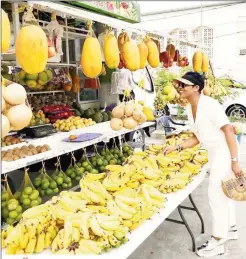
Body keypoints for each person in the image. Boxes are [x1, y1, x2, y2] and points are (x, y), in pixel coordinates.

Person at [163, 72, 243, 257]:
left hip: (225, 150)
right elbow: (196, 138)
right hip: (214, 152)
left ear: (196, 88)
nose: (180, 88)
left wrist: (235, 162)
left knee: (215, 193)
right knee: (224, 191)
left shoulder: (210, 105)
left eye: (185, 85)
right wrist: (177, 147)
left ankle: (218, 241)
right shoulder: (191, 108)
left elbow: (229, 132)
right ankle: (230, 229)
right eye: (180, 85)